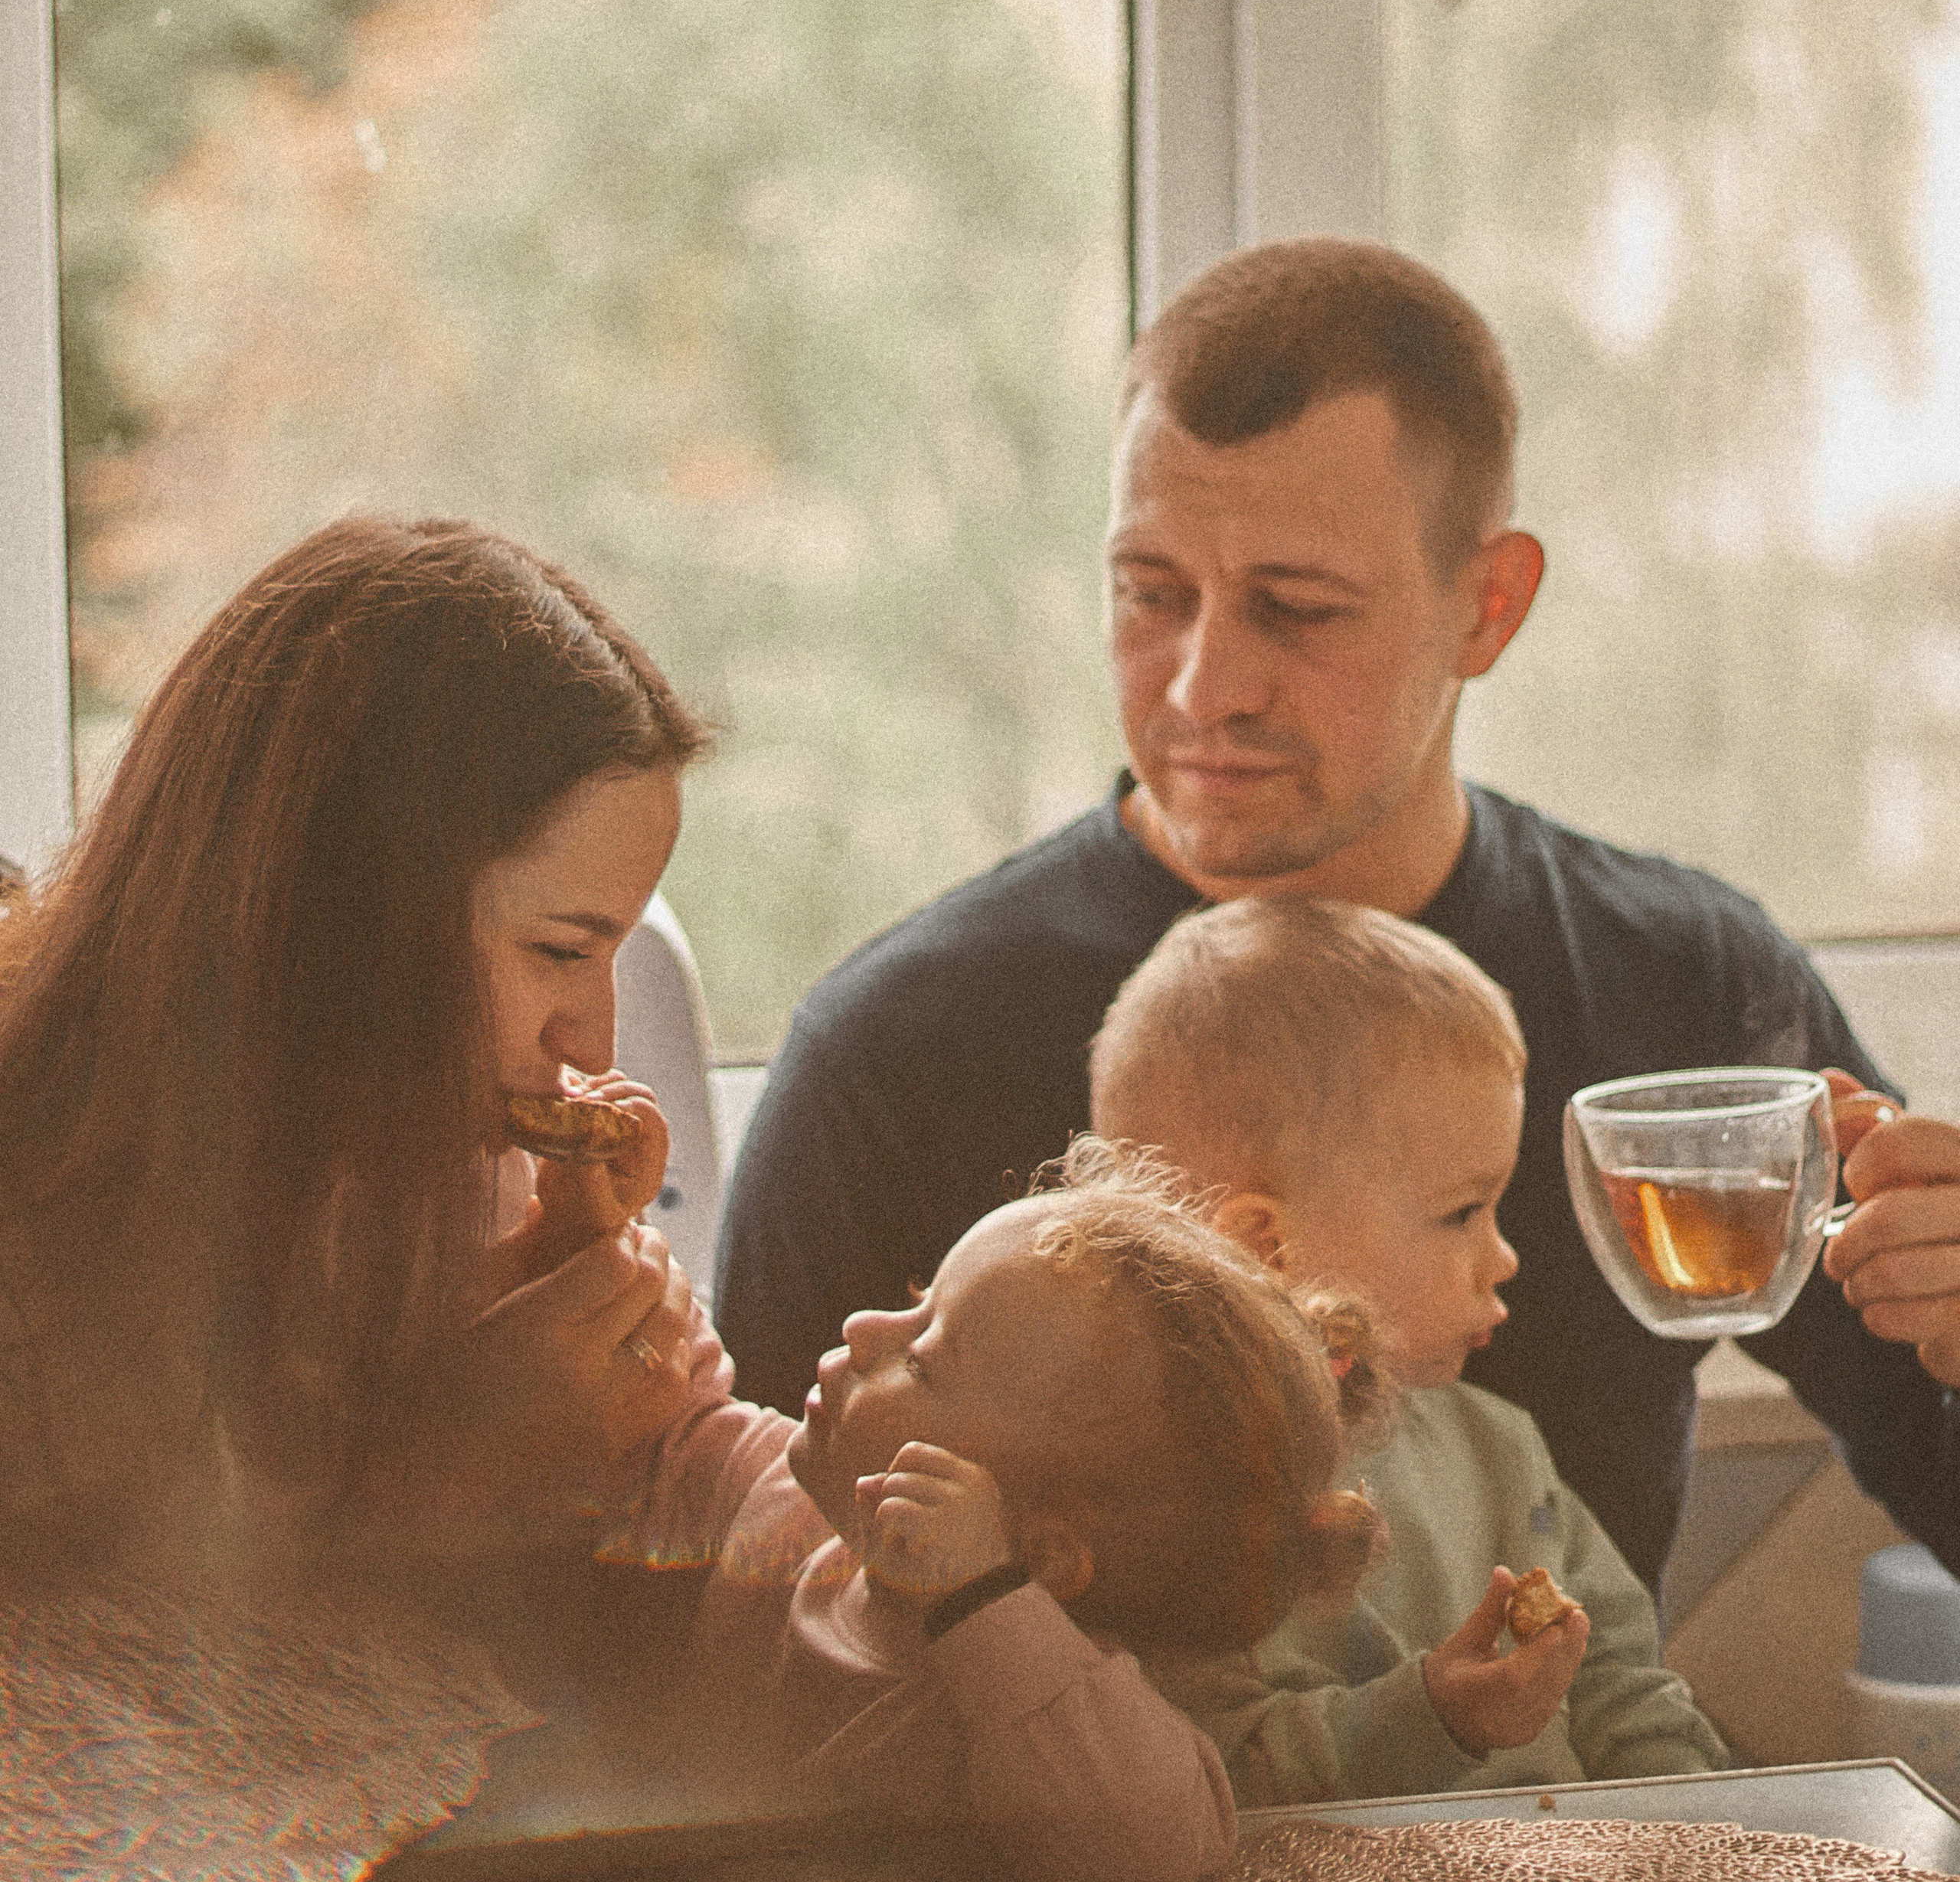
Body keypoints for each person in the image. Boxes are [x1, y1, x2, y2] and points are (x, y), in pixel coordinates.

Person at [714, 237, 1960, 1596]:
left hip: (1583, 1803)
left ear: (1488, 606)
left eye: (1294, 611)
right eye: (1150, 594)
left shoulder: (1687, 986)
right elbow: (748, 1631)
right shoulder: (893, 1056)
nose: (1203, 688)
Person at [0, 515, 714, 1593]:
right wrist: (434, 1482)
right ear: (346, 913)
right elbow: (98, 1683)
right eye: (560, 951)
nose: (593, 1041)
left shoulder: (422, 1179)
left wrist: (531, 1291)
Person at [624, 1141, 1384, 1882]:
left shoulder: (1025, 1698)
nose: (861, 1327)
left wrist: (981, 1603)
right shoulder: (786, 1507)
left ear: (1039, 1556)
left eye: (922, 1361)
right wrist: (596, 1234)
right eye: (916, 1296)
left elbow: (1156, 1850)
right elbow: (652, 1430)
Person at [1091, 895, 1727, 1800]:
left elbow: (1621, 1683)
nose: (1504, 1255)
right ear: (1266, 1248)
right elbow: (1222, 1772)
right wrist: (1434, 1719)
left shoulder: (1499, 1448)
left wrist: (1696, 1828)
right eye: (1461, 1212)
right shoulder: (1170, 1503)